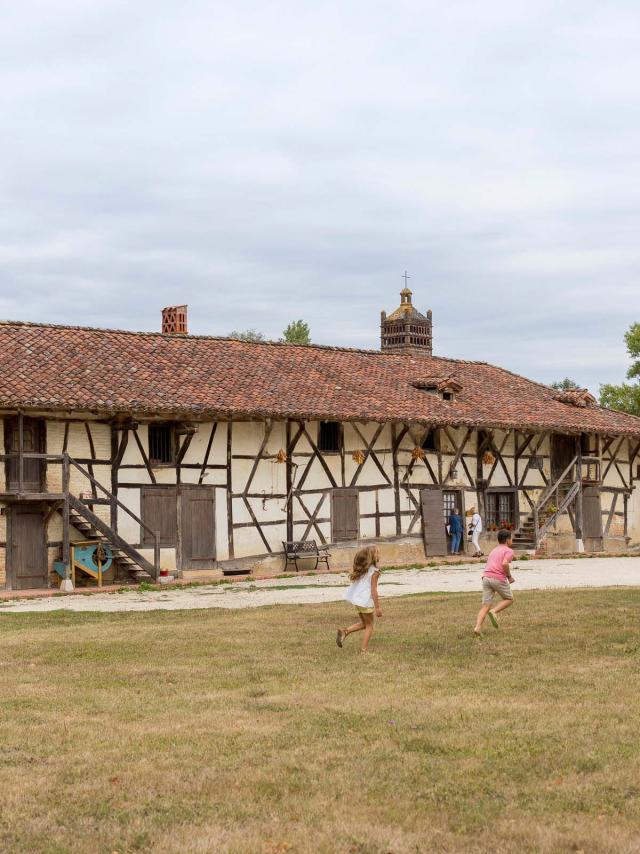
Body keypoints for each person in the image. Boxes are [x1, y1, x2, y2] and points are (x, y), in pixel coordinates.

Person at [336, 545, 382, 654]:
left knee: (364, 623)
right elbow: (374, 591)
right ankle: (363, 650)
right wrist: (378, 607)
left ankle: (345, 631)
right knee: (370, 626)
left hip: (357, 601)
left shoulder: (362, 569)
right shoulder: (374, 572)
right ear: (374, 557)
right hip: (365, 601)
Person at [474, 529, 515, 635]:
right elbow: (505, 564)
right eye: (511, 538)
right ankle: (494, 611)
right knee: (509, 599)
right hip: (498, 578)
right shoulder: (509, 551)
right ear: (507, 540)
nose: (512, 540)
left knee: (485, 605)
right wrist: (509, 577)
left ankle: (477, 628)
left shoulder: (494, 550)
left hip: (486, 577)